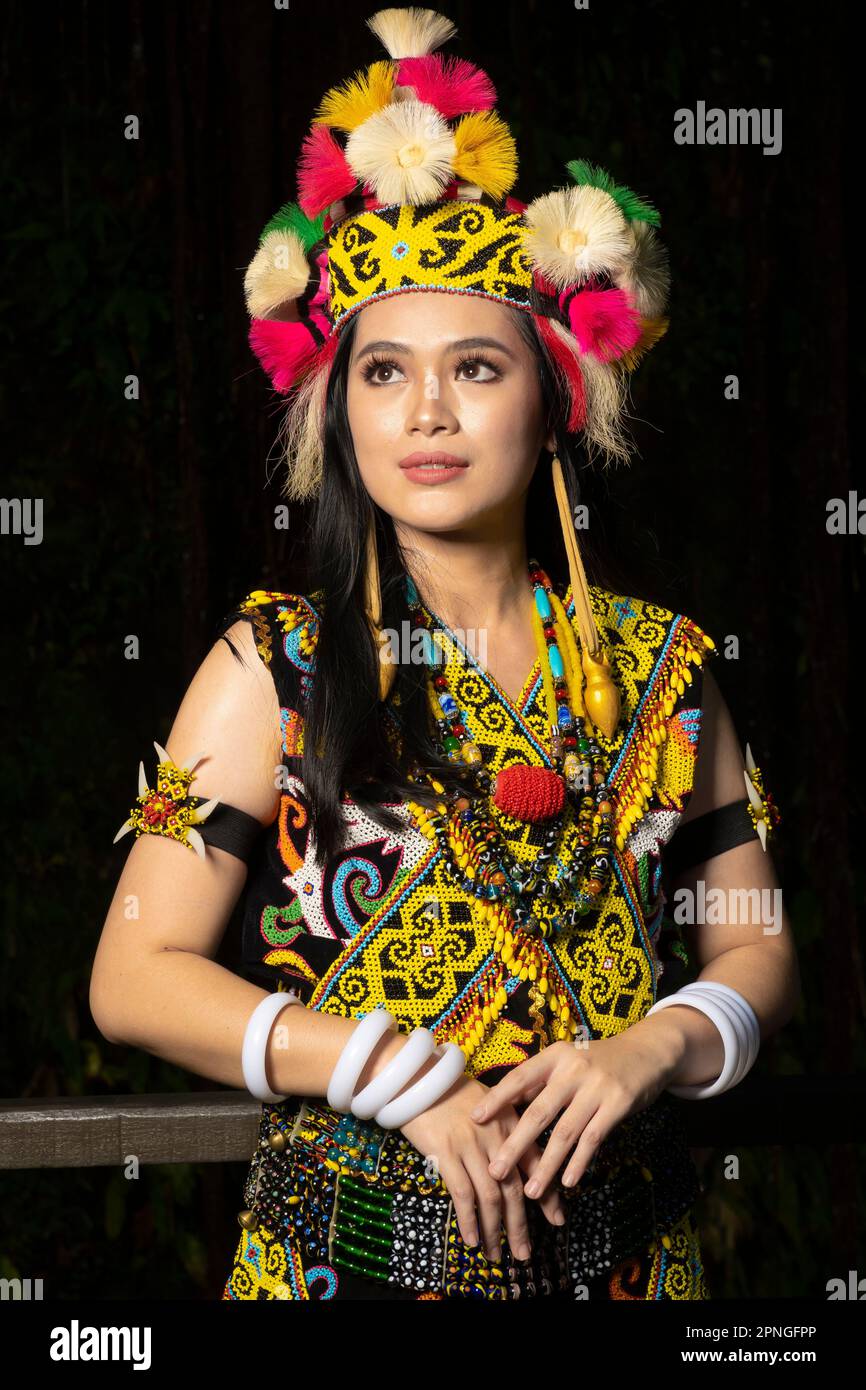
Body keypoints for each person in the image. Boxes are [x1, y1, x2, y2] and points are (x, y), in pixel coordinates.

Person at [90, 5, 800, 1301]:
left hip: (631, 1268)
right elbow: (133, 973)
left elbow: (752, 941)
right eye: (382, 373)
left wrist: (656, 1044)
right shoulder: (272, 666)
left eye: (474, 367)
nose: (424, 411)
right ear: (338, 403)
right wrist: (382, 1068)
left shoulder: (661, 666)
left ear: (554, 395)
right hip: (337, 1267)